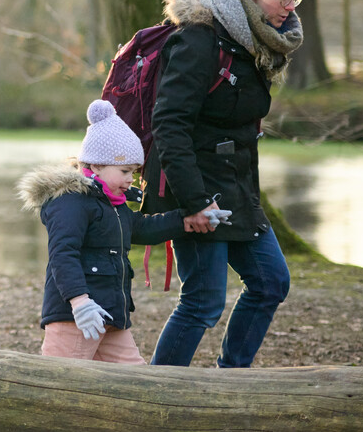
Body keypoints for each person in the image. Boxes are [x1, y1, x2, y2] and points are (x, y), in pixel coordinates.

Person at [144, 0, 305, 367]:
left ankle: (231, 380)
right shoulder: (199, 40)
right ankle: (158, 401)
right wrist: (193, 204)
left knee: (272, 283)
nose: (289, 7)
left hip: (236, 187)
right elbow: (169, 126)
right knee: (203, 302)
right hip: (195, 188)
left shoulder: (256, 43)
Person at [18, 101, 220, 362]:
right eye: (125, 171)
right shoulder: (71, 202)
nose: (131, 179)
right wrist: (79, 302)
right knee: (60, 384)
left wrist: (188, 219)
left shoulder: (114, 205)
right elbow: (62, 254)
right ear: (97, 166)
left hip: (111, 314)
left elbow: (141, 227)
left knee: (134, 380)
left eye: (134, 172)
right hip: (76, 317)